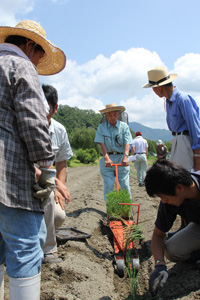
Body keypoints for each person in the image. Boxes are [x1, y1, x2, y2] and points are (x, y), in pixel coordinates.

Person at [0, 20, 66, 300]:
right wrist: (47, 168)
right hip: (9, 176)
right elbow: (34, 124)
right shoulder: (20, 64)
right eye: (39, 56)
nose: (38, 63)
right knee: (25, 247)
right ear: (29, 46)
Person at [144, 159, 200, 296]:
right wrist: (159, 265)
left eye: (163, 197)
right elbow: (158, 235)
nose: (163, 201)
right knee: (171, 250)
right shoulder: (170, 201)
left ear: (179, 187)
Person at [143, 66, 200, 172]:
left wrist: (197, 156)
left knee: (185, 175)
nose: (154, 92)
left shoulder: (182, 99)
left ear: (159, 88)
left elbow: (195, 127)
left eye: (153, 88)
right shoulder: (168, 102)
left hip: (185, 140)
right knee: (176, 175)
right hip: (177, 140)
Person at [41, 84, 73, 264]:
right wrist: (57, 185)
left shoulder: (59, 130)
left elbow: (61, 162)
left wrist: (59, 190)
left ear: (55, 108)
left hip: (47, 181)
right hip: (26, 178)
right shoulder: (26, 124)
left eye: (46, 108)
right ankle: (46, 247)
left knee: (59, 216)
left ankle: (44, 242)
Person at [94, 103, 133, 200]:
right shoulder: (101, 127)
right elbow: (101, 143)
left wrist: (126, 156)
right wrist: (106, 158)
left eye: (115, 114)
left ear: (118, 115)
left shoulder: (124, 127)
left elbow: (127, 142)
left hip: (121, 158)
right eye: (110, 115)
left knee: (124, 184)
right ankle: (110, 209)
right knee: (109, 185)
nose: (112, 117)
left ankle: (127, 210)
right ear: (106, 115)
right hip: (107, 159)